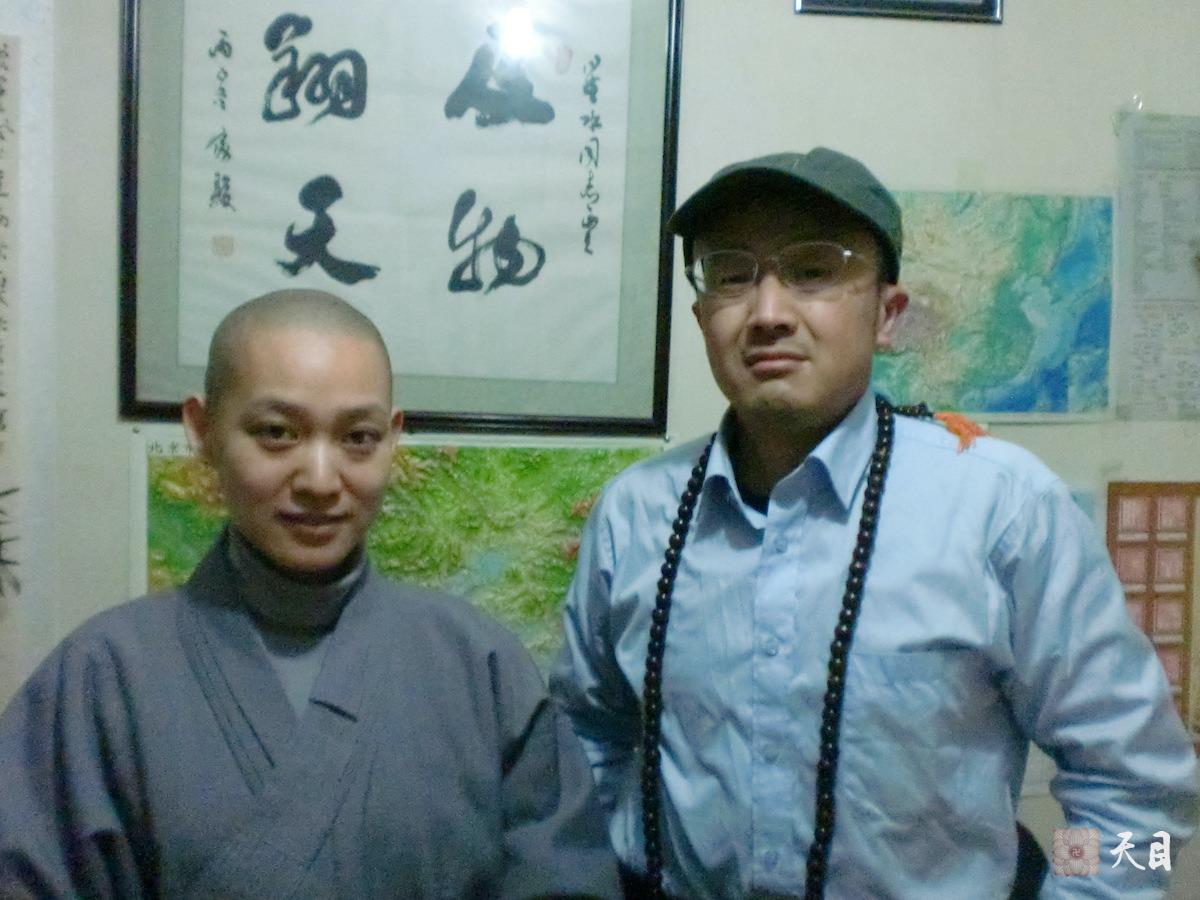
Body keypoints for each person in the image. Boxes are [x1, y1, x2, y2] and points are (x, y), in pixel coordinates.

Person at [550, 148, 1198, 898]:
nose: (767, 313)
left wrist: (1076, 889)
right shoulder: (636, 515)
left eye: (813, 270)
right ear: (702, 317)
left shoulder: (1004, 511)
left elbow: (1137, 792)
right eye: (731, 274)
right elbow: (586, 742)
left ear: (888, 315)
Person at [0, 289, 621, 898]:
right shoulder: (100, 678)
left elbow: (566, 879)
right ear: (203, 430)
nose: (321, 481)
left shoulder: (480, 666)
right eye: (277, 432)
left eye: (358, 438)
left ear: (392, 438)